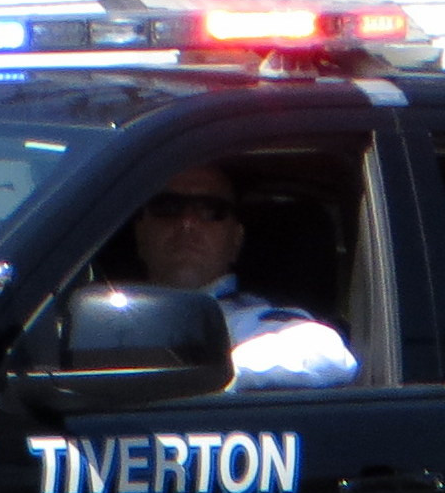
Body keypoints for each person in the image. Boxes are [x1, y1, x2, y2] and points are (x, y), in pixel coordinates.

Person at [130, 163, 360, 389]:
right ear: (140, 234)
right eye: (168, 207)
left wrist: (212, 374)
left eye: (212, 210)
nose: (187, 223)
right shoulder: (104, 320)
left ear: (236, 240)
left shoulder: (254, 320)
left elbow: (326, 354)